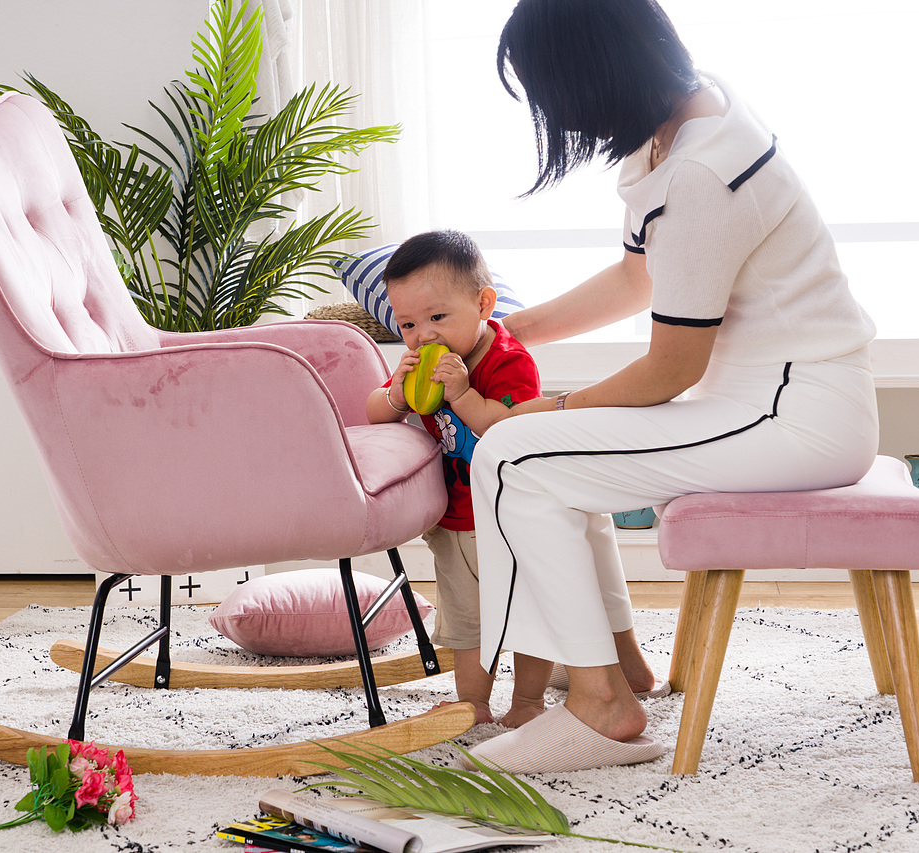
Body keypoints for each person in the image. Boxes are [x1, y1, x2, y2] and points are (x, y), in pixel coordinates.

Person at [465, 0, 879, 773]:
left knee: (515, 453)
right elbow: (636, 276)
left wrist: (538, 409)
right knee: (530, 454)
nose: (556, 116)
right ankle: (610, 670)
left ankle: (600, 703)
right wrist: (508, 336)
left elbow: (671, 369)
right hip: (760, 400)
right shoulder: (678, 123)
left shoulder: (702, 170)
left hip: (794, 413)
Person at [365, 230, 547, 727]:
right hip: (452, 520)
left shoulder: (509, 361)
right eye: (407, 324)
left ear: (483, 303)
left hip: (511, 518)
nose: (424, 335)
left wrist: (463, 395)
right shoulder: (417, 367)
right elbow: (371, 409)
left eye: (437, 317)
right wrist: (398, 395)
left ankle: (529, 702)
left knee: (526, 614)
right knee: (466, 625)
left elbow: (507, 426)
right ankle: (473, 704)